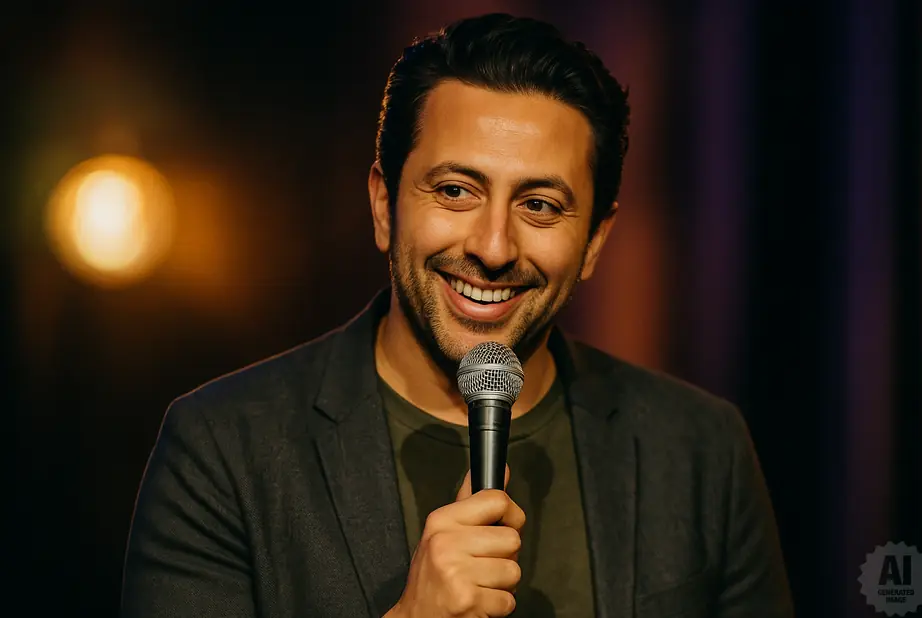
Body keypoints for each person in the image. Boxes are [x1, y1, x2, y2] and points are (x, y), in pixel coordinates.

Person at [121, 13, 794, 618]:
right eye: (454, 190)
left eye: (540, 205)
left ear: (593, 241)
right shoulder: (223, 449)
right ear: (385, 206)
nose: (493, 247)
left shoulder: (701, 448)